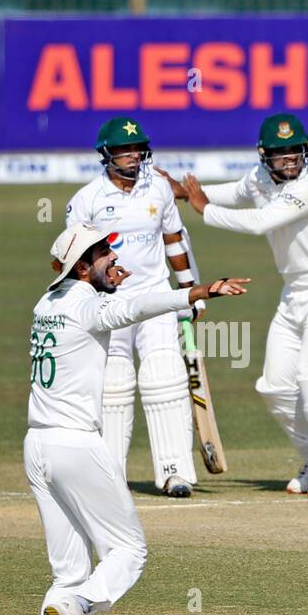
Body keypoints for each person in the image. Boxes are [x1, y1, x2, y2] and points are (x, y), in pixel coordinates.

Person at [15, 223, 249, 615]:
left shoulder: (47, 304)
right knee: (128, 552)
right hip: (75, 444)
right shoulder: (91, 307)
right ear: (82, 265)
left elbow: (110, 297)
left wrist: (106, 279)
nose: (112, 257)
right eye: (102, 252)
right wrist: (200, 291)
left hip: (36, 446)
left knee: (70, 570)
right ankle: (78, 608)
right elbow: (138, 308)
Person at [161, 113, 308, 499]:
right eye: (280, 155)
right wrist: (189, 192)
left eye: (295, 153)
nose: (289, 161)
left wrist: (202, 209)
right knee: (274, 386)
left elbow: (260, 222)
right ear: (264, 156)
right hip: (296, 293)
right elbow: (235, 194)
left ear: (307, 152)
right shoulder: (257, 178)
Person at [66, 117, 203, 498]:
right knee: (113, 384)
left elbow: (175, 241)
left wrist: (192, 291)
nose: (132, 156)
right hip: (108, 302)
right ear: (106, 154)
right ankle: (108, 475)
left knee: (165, 376)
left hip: (155, 295)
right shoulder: (86, 200)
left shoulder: (158, 187)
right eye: (124, 150)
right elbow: (73, 256)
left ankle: (174, 471)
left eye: (137, 149)